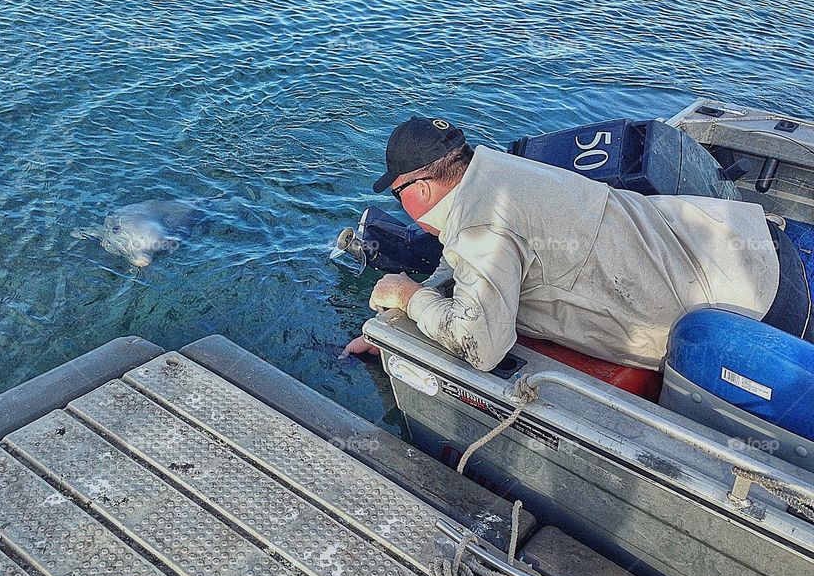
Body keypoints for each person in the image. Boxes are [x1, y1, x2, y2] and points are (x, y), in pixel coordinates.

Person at [343, 116, 813, 371]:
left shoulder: (480, 229)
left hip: (759, 326)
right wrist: (416, 307)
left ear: (419, 190)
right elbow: (484, 251)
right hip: (770, 247)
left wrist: (408, 296)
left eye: (399, 193)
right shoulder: (502, 169)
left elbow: (480, 346)